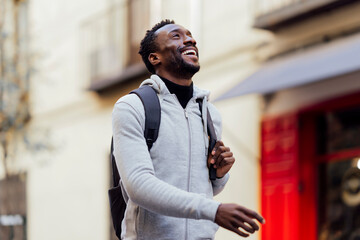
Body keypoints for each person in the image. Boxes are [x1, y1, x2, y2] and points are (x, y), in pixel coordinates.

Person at [112, 19, 265, 240]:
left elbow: (202, 189)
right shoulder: (132, 107)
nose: (190, 39)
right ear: (155, 57)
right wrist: (214, 210)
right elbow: (138, 184)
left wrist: (218, 175)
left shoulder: (209, 114)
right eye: (176, 36)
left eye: (190, 35)